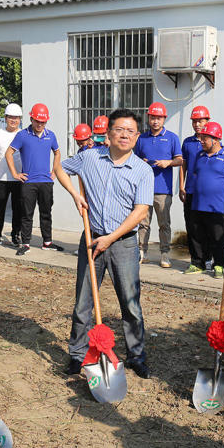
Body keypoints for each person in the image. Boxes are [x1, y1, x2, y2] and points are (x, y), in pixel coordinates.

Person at [60, 108, 153, 379]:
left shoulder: (142, 170)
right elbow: (59, 169)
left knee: (130, 303)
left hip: (122, 243)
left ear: (137, 137)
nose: (124, 135)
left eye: (130, 131)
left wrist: (110, 239)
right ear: (108, 134)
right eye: (119, 130)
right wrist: (76, 195)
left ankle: (136, 355)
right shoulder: (89, 158)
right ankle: (77, 355)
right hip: (91, 239)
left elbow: (141, 211)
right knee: (83, 301)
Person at [6, 103, 64, 255]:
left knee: (46, 213)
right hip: (28, 182)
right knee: (27, 214)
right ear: (31, 119)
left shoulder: (51, 135)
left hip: (46, 182)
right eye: (37, 120)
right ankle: (25, 244)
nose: (40, 124)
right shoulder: (22, 135)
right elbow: (8, 153)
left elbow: (57, 153)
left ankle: (47, 242)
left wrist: (54, 171)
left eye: (43, 121)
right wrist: (15, 173)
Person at [134, 101, 183, 268]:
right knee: (143, 223)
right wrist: (142, 162)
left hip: (163, 189)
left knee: (164, 224)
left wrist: (167, 163)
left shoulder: (172, 138)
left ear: (164, 119)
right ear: (149, 118)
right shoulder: (141, 139)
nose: (155, 121)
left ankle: (164, 254)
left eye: (159, 118)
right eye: (153, 118)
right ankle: (142, 252)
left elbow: (180, 160)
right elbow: (133, 159)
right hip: (144, 189)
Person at [187, 121, 224, 278]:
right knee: (196, 236)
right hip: (197, 203)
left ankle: (219, 265)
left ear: (215, 139)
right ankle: (198, 263)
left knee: (217, 237)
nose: (201, 141)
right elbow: (195, 174)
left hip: (216, 206)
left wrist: (219, 188)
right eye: (201, 138)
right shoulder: (199, 156)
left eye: (204, 138)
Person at [0, 102, 25, 247]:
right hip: (2, 178)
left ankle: (16, 235)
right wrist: (2, 164)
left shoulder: (23, 134)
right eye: (11, 117)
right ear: (5, 118)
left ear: (20, 119)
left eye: (16, 117)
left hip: (18, 178)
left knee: (18, 209)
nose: (13, 120)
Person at [180, 105, 211, 274]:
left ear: (207, 121)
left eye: (201, 121)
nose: (198, 124)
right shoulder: (187, 142)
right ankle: (196, 261)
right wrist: (181, 186)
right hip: (190, 191)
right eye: (195, 121)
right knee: (192, 227)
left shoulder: (213, 141)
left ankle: (208, 258)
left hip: (206, 194)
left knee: (207, 227)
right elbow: (183, 165)